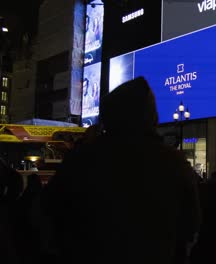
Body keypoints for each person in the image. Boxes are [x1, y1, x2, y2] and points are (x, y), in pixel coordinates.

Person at [43, 77, 201, 264]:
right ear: (149, 116)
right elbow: (191, 224)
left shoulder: (83, 158)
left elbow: (49, 212)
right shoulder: (173, 162)